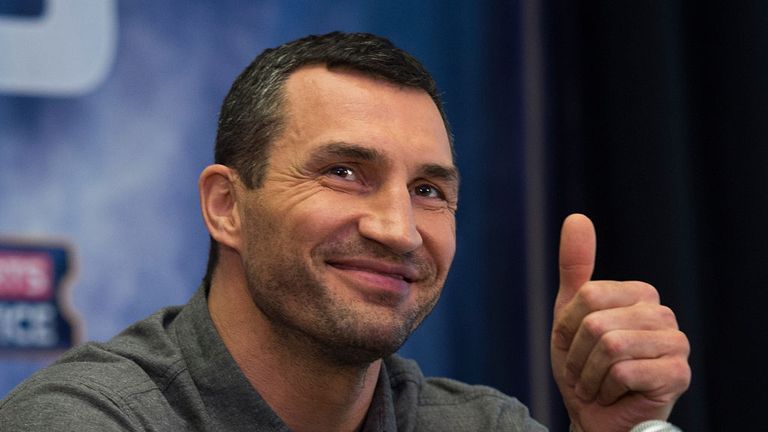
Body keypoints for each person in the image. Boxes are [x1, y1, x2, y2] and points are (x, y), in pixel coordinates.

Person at [0, 32, 690, 431]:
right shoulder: (90, 420)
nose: (399, 230)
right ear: (226, 207)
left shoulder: (481, 426)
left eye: (428, 190)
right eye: (344, 172)